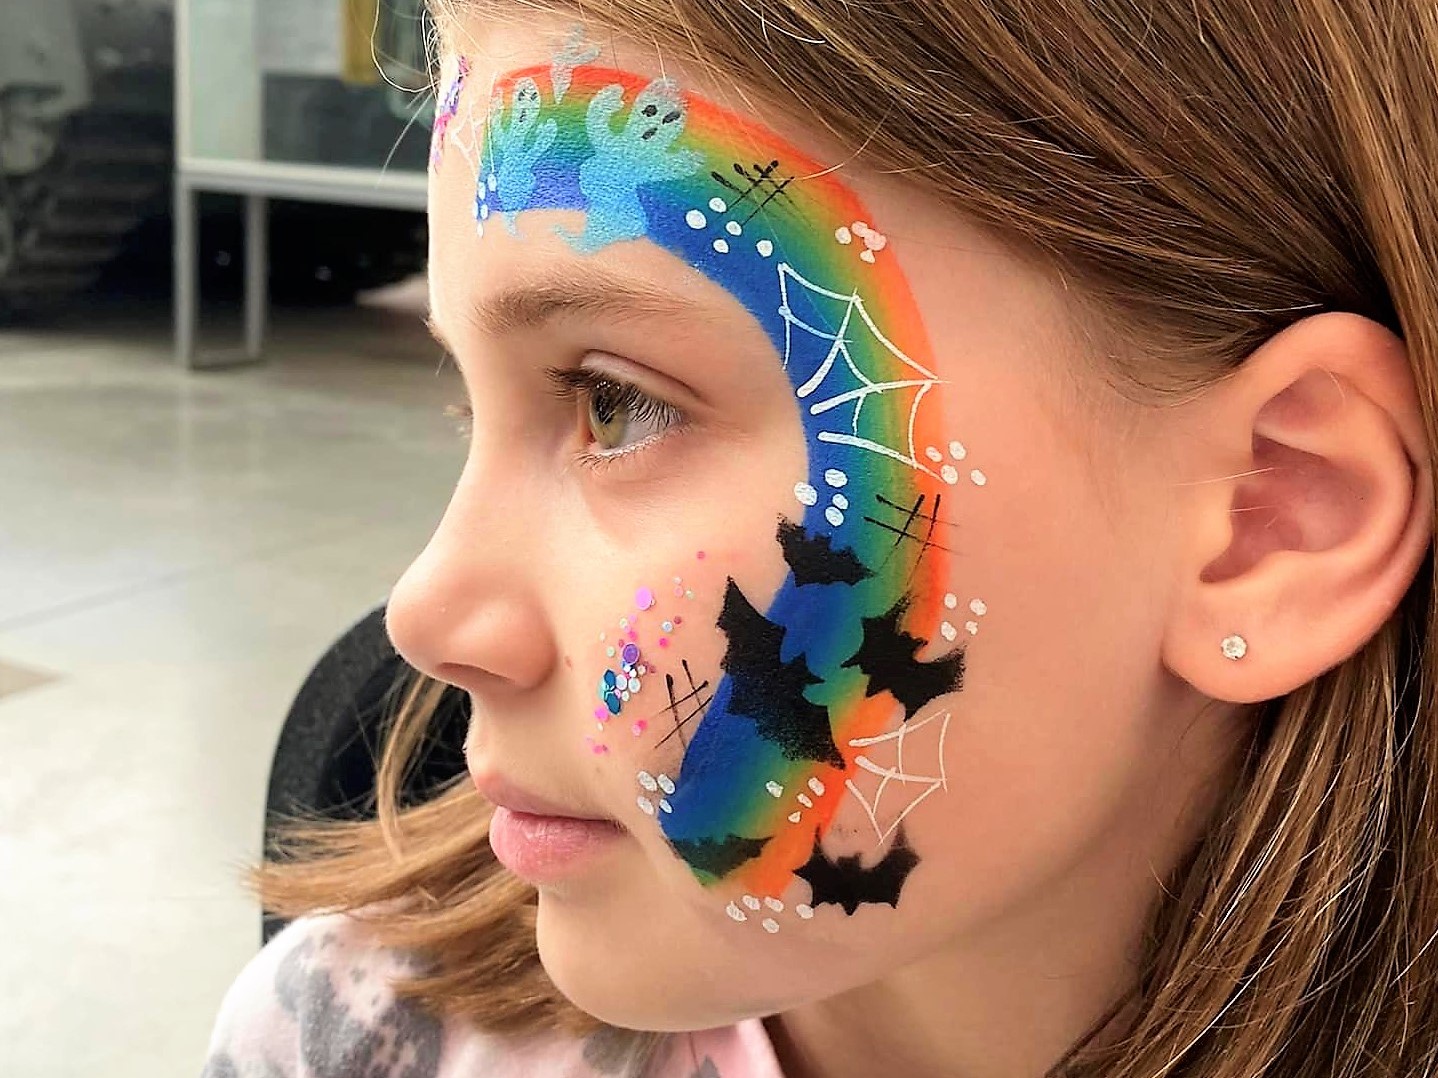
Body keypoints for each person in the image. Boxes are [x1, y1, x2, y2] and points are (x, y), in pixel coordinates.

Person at [199, 1, 1438, 1075]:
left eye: (615, 402)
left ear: (1273, 517)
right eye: (469, 404)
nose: (427, 612)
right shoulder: (355, 1035)